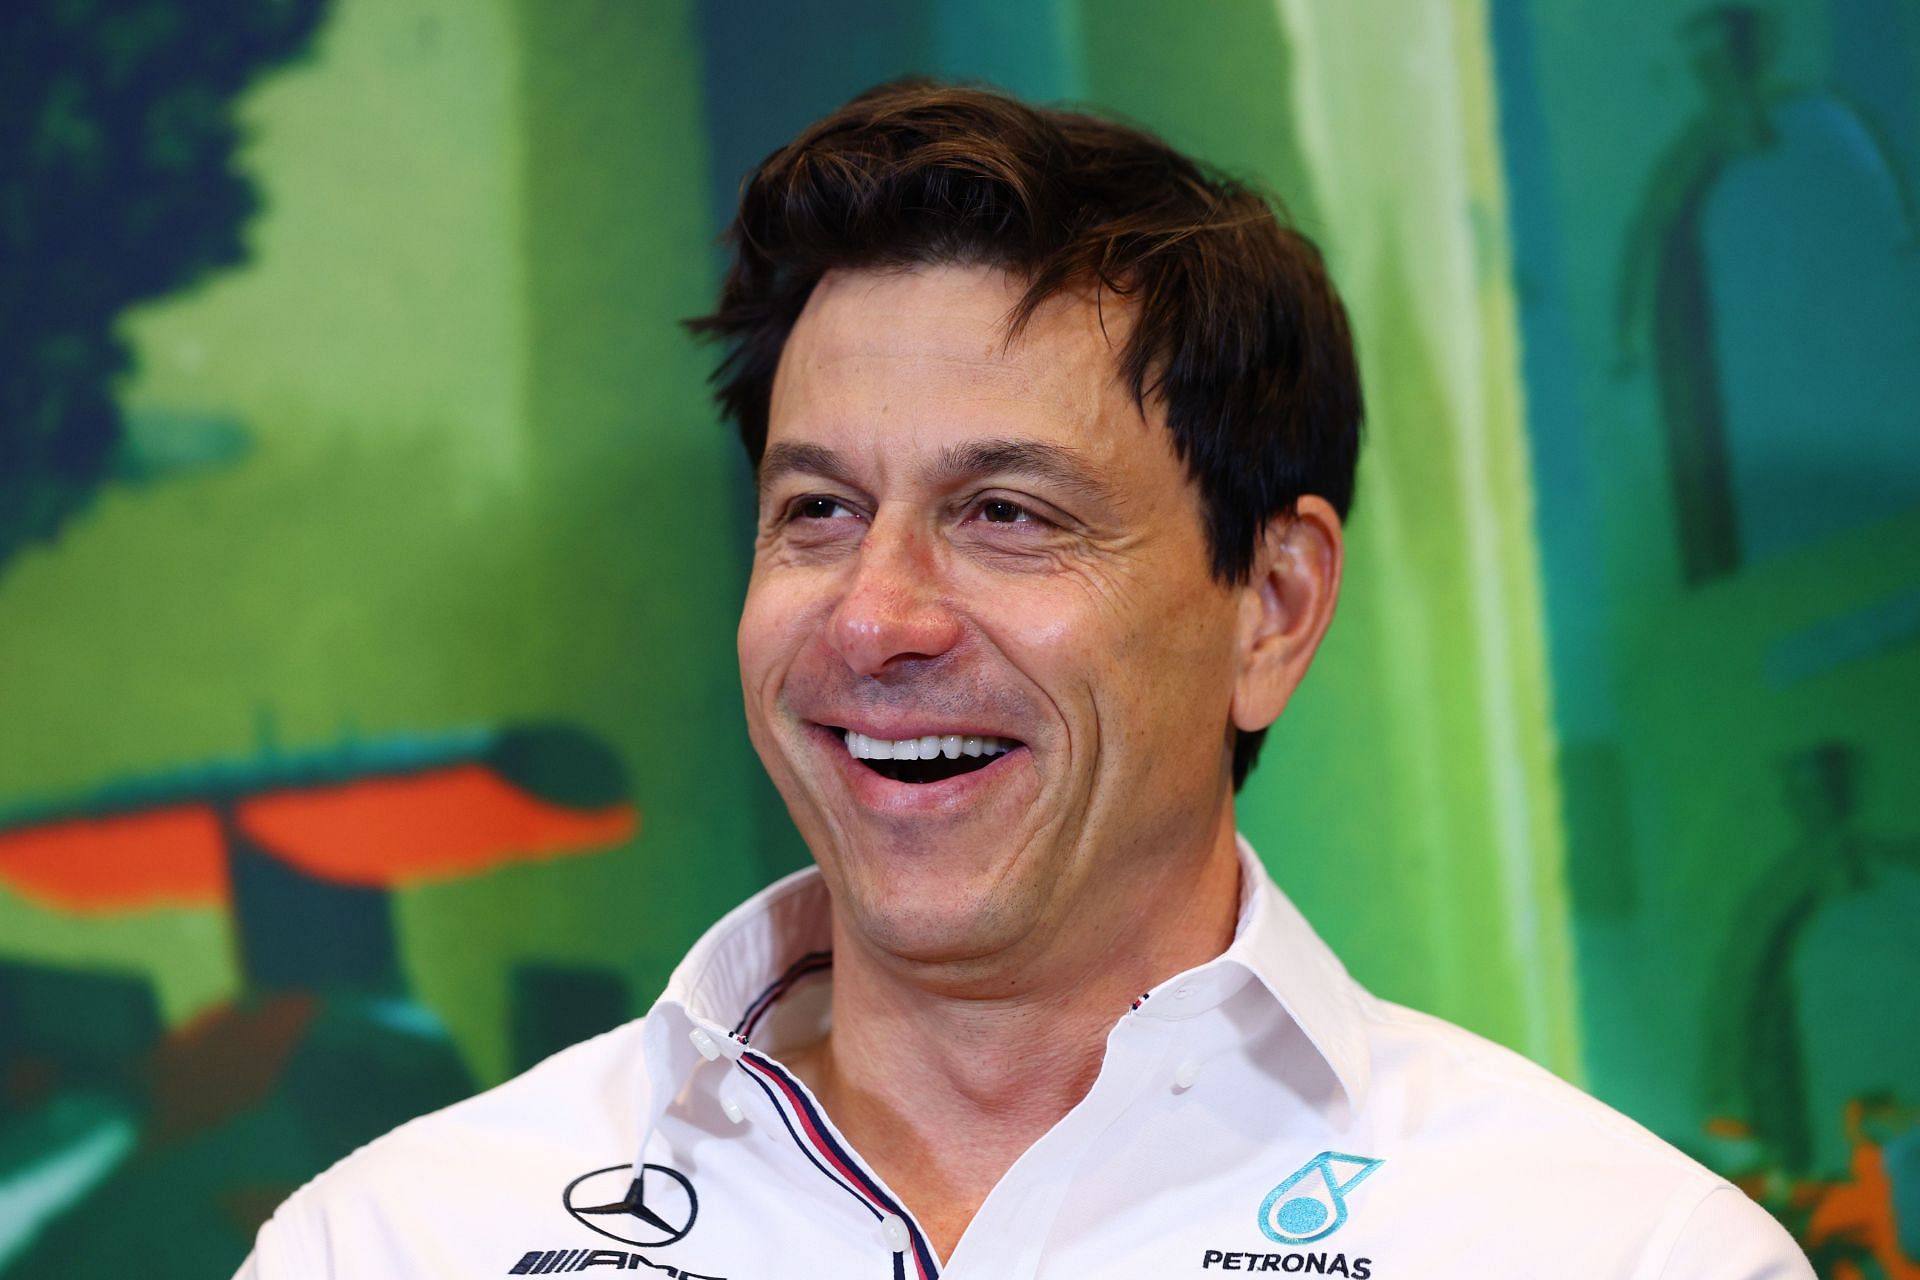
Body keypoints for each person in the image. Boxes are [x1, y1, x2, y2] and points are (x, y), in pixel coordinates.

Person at [237, 81, 1812, 1279]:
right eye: (818, 513)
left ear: (1270, 603)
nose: (877, 617)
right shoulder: (395, 1242)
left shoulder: (1614, 1250)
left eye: (1007, 514)